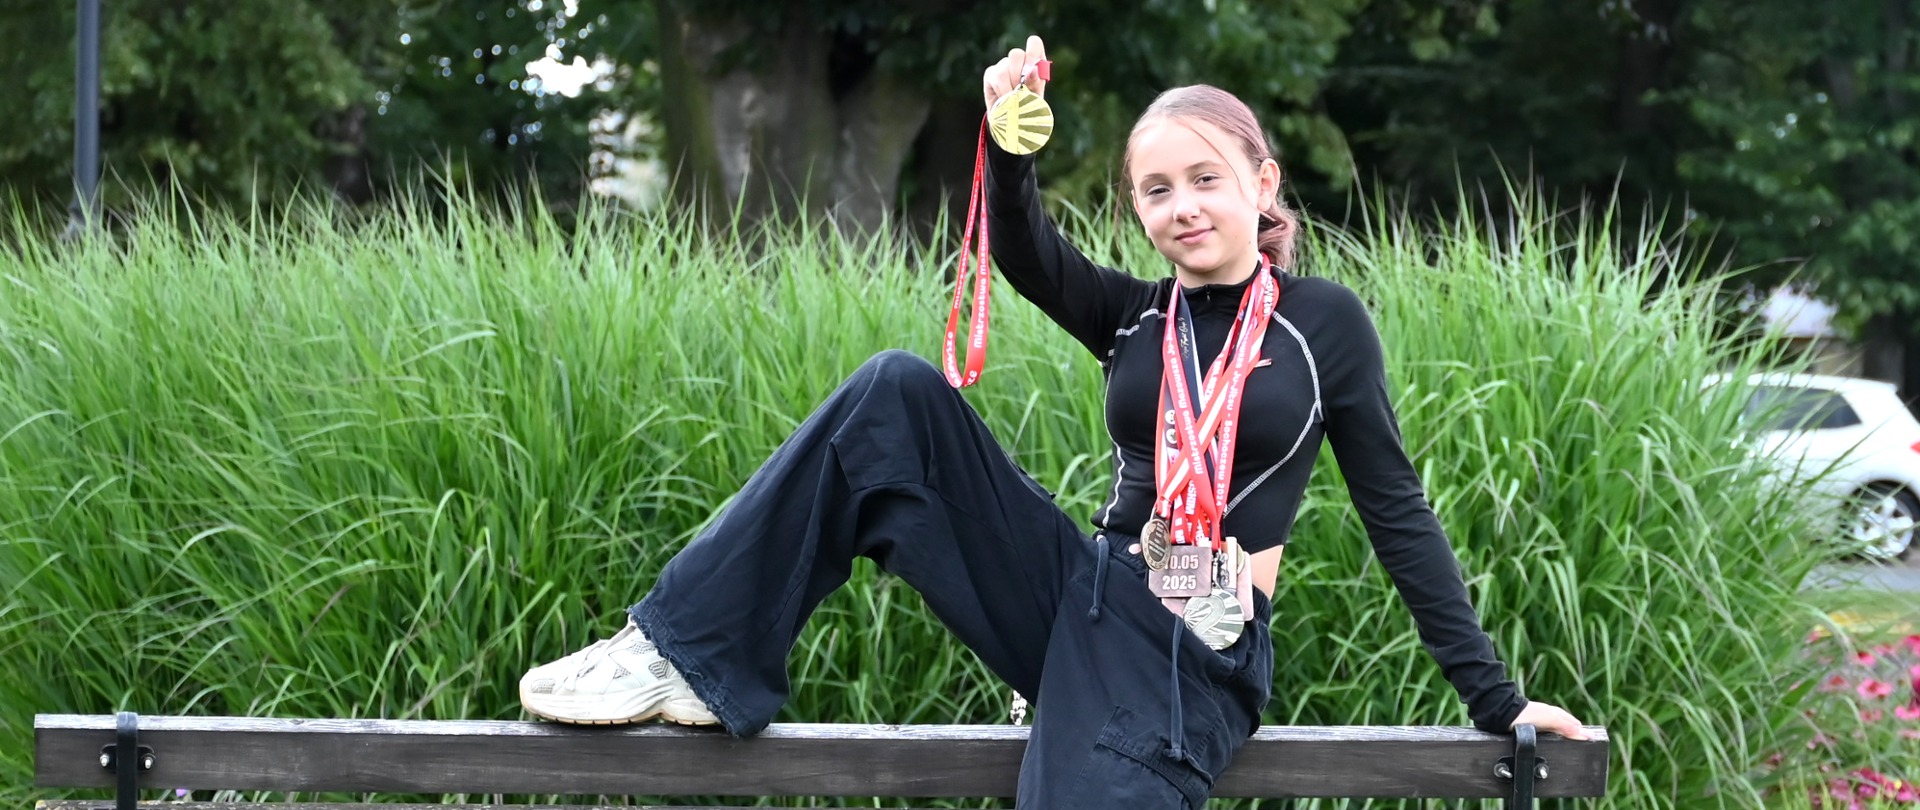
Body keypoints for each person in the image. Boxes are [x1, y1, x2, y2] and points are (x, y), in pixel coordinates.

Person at [518, 34, 1589, 809]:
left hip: (1197, 651)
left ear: (1262, 185)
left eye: (1206, 180)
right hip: (1085, 591)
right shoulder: (1136, 316)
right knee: (895, 396)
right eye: (1156, 189)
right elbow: (1027, 255)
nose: (1182, 207)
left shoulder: (1324, 327)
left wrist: (1498, 703)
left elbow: (1398, 512)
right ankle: (681, 652)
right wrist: (1009, 147)